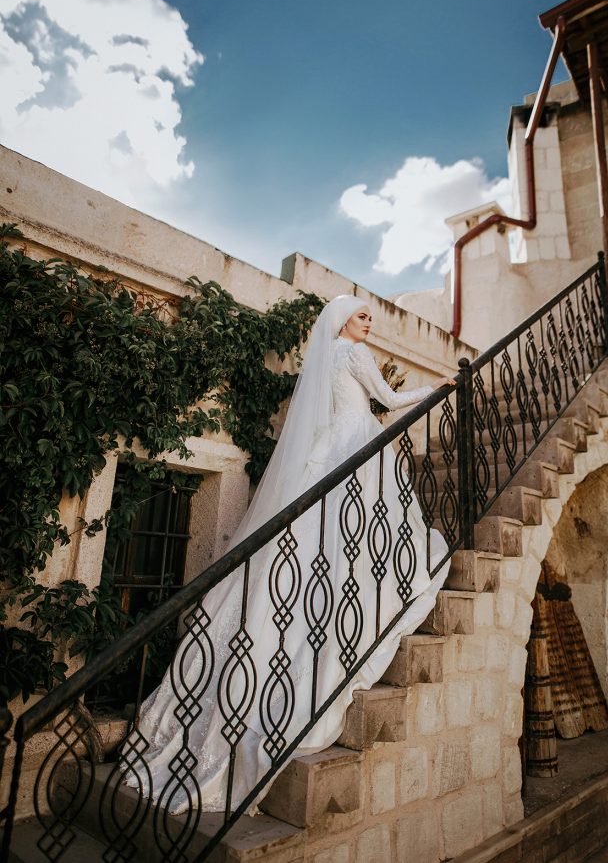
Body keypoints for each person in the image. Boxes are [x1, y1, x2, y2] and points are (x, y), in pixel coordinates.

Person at [125, 295, 454, 817]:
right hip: (358, 443)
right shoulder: (355, 354)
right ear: (343, 320)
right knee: (362, 525)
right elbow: (388, 402)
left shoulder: (325, 358)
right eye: (364, 315)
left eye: (372, 316)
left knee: (315, 536)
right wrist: (434, 389)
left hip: (329, 447)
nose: (370, 323)